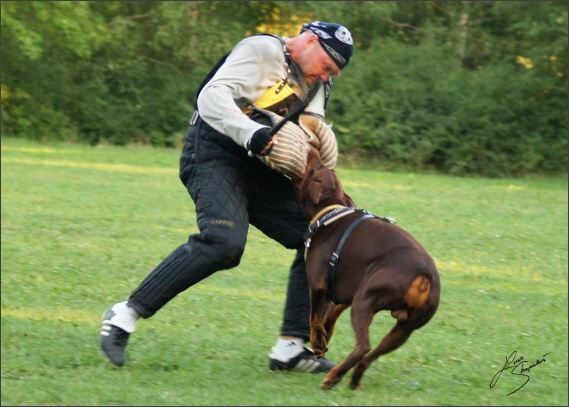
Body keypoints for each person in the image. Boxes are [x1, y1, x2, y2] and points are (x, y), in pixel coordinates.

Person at [100, 21, 354, 373]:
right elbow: (211, 98)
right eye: (326, 67)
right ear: (310, 41)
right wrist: (252, 133)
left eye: (333, 74)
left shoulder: (317, 83)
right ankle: (124, 314)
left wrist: (318, 141)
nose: (325, 78)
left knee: (323, 235)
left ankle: (291, 350)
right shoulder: (262, 51)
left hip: (263, 164)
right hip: (214, 151)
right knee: (224, 241)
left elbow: (307, 128)